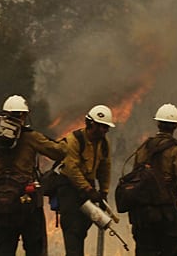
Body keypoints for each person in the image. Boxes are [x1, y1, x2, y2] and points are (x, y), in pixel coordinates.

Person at [0, 94, 67, 256]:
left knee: (3, 248)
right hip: (26, 203)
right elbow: (58, 152)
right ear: (23, 115)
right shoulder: (30, 136)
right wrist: (65, 144)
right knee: (35, 247)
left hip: (1, 203)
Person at [126, 103, 177, 256]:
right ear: (175, 126)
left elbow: (135, 173)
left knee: (144, 251)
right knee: (170, 251)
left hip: (143, 211)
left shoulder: (144, 146)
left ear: (158, 124)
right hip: (166, 211)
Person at [58, 104, 116, 256]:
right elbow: (71, 169)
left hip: (88, 190)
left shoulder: (104, 144)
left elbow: (105, 167)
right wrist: (89, 190)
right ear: (90, 124)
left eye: (106, 127)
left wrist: (104, 192)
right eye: (101, 127)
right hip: (70, 190)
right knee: (73, 231)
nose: (104, 130)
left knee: (82, 229)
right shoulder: (74, 140)